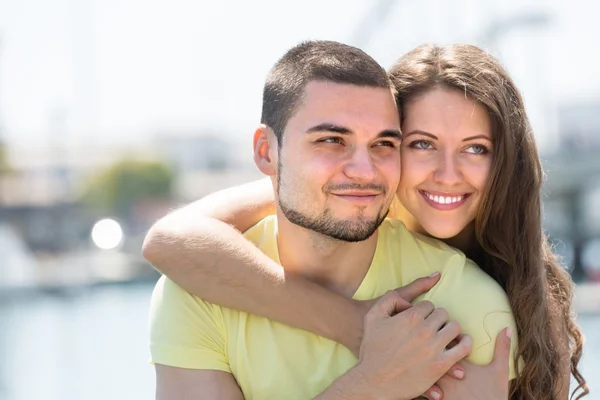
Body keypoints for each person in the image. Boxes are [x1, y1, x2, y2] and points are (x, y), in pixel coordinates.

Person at [147, 40, 521, 400]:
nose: (363, 170)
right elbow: (170, 238)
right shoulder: (202, 286)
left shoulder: (465, 305)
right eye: (331, 140)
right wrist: (370, 385)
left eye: (383, 144)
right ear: (266, 152)